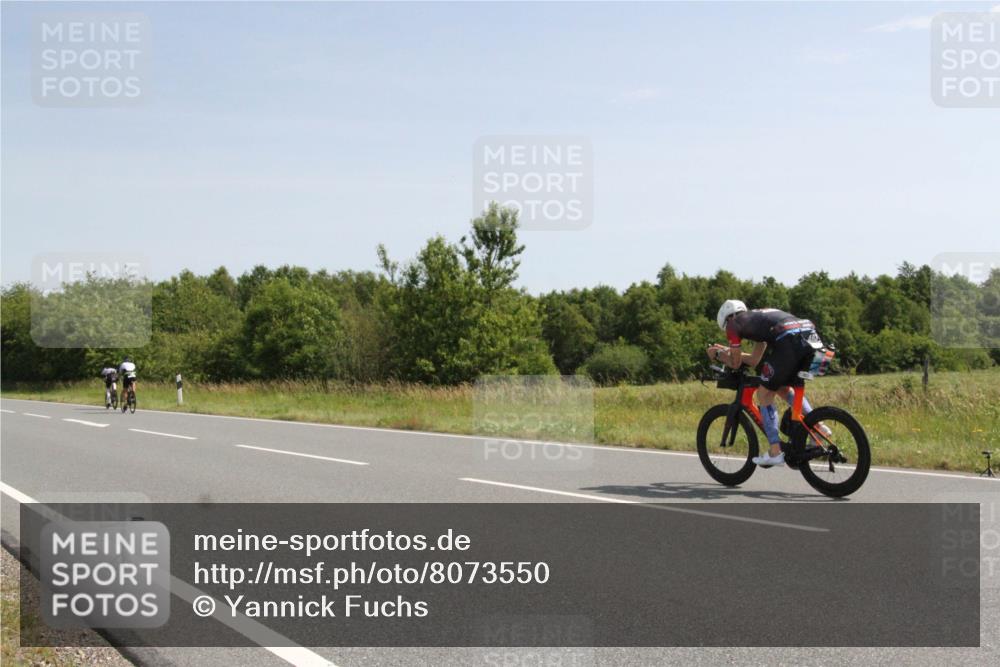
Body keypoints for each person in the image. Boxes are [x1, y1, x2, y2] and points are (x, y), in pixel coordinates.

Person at [707, 300, 829, 467]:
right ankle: (819, 427)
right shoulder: (760, 319)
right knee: (782, 388)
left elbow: (735, 364)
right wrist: (729, 351)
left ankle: (775, 451)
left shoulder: (733, 324)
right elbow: (754, 360)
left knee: (763, 393)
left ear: (727, 318)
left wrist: (718, 355)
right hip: (812, 337)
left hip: (789, 341)